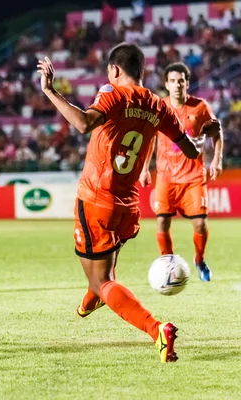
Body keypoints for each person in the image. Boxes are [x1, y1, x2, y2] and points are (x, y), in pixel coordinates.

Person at [37, 43, 212, 362]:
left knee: (102, 279)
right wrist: (195, 145)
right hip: (128, 207)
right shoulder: (158, 105)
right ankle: (89, 302)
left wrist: (50, 91)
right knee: (103, 271)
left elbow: (83, 123)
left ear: (115, 70)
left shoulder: (114, 95)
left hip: (97, 199)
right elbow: (189, 149)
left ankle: (155, 329)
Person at [140, 62, 223, 282]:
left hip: (194, 176)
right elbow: (149, 140)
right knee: (162, 222)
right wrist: (145, 167)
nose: (178, 84)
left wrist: (217, 159)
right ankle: (167, 264)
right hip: (166, 176)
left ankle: (199, 259)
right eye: (173, 81)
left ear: (187, 82)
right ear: (166, 84)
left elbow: (217, 132)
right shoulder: (159, 107)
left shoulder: (201, 107)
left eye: (181, 80)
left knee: (200, 224)